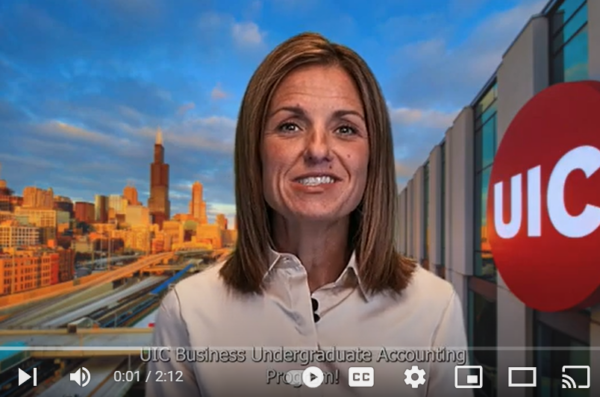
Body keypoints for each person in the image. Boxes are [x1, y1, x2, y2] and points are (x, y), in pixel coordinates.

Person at [147, 32, 471, 397]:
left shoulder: (433, 306)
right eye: (290, 126)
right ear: (255, 154)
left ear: (372, 158)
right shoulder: (188, 310)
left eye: (345, 128)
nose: (318, 149)